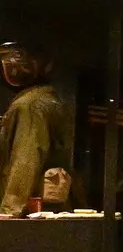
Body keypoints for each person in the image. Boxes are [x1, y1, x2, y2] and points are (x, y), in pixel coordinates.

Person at [0, 37, 72, 217]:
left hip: (30, 215)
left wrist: (8, 215)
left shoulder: (30, 106)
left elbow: (25, 161)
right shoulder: (46, 100)